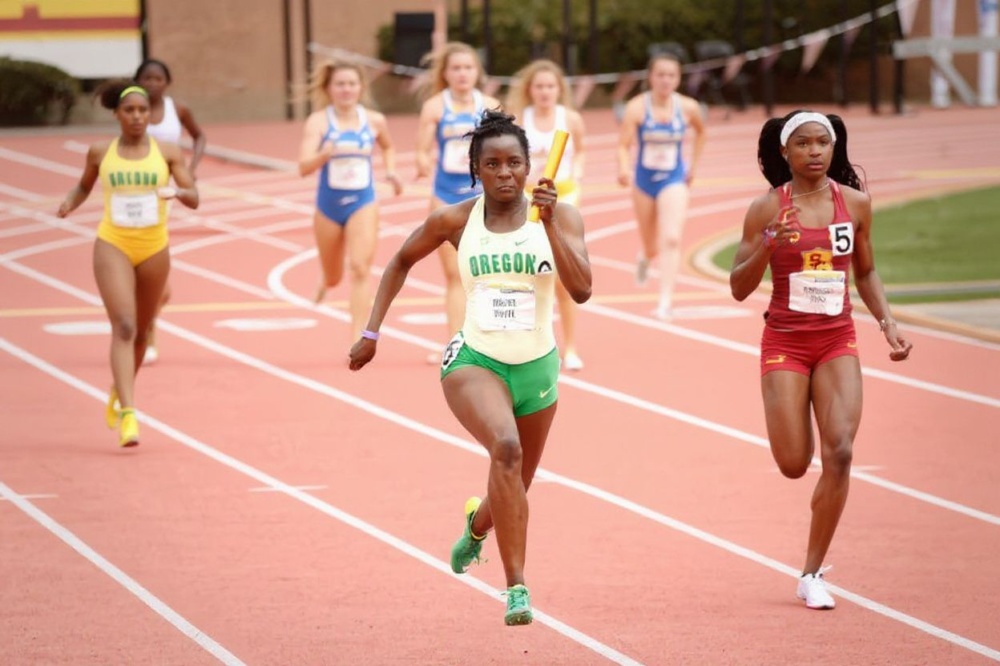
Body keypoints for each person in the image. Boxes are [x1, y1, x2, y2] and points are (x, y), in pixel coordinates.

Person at [349, 110, 592, 625]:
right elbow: (398, 262)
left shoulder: (560, 217)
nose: (505, 173)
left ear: (530, 167)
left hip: (537, 366)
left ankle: (477, 526)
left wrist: (549, 225)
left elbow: (583, 290)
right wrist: (372, 331)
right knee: (505, 448)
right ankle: (517, 589)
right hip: (475, 359)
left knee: (514, 482)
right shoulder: (455, 220)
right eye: (493, 164)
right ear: (476, 170)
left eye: (514, 163)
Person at [729, 110, 912, 609]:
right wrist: (769, 243)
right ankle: (809, 545)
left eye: (823, 142)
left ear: (834, 148)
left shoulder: (854, 203)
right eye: (804, 143)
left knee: (842, 452)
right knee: (793, 463)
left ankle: (812, 572)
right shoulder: (766, 209)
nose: (815, 151)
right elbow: (738, 288)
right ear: (784, 152)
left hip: (836, 340)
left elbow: (867, 272)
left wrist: (888, 323)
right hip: (786, 339)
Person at [57, 81, 199, 447]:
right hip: (113, 243)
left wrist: (178, 192)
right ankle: (130, 415)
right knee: (123, 325)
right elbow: (84, 186)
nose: (137, 116)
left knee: (143, 328)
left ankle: (118, 391)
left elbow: (194, 196)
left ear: (149, 116)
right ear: (118, 115)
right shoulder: (100, 152)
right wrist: (70, 202)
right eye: (129, 111)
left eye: (142, 111)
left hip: (154, 246)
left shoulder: (166, 151)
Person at [298, 60, 402, 342]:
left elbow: (388, 146)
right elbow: (303, 167)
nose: (346, 90)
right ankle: (326, 281)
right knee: (334, 276)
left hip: (363, 201)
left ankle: (358, 335)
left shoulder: (374, 120)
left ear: (361, 88)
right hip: (328, 206)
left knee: (359, 268)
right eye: (340, 84)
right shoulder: (319, 121)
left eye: (351, 84)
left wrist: (391, 172)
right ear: (329, 89)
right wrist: (323, 154)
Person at [415, 42, 501, 361]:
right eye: (456, 68)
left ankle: (490, 338)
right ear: (446, 74)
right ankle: (455, 343)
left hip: (483, 197)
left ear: (477, 72)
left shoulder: (490, 105)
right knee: (455, 275)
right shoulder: (436, 107)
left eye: (468, 68)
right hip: (446, 195)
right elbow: (422, 148)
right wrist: (423, 161)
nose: (463, 74)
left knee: (486, 274)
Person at [506, 59, 588, 371]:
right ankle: (528, 342)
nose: (544, 92)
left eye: (550, 86)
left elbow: (580, 150)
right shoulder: (519, 120)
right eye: (539, 86)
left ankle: (571, 348)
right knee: (530, 270)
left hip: (564, 197)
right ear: (530, 89)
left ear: (559, 89)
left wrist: (578, 171)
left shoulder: (571, 118)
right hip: (527, 197)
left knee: (564, 271)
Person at [617, 52, 706, 320]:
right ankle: (645, 257)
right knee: (652, 244)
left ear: (678, 79)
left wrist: (693, 166)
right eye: (660, 75)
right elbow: (623, 144)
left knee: (671, 238)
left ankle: (665, 300)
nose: (665, 80)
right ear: (651, 77)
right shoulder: (637, 107)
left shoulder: (688, 107)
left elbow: (701, 133)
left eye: (671, 75)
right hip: (644, 181)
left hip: (674, 179)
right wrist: (623, 168)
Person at [134, 58, 206, 365]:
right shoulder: (133, 112)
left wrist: (190, 171)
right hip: (135, 196)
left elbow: (199, 136)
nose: (152, 83)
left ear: (167, 83)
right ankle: (145, 332)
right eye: (146, 78)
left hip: (167, 196)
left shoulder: (178, 110)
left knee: (159, 288)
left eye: (157, 78)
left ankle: (145, 325)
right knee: (146, 275)